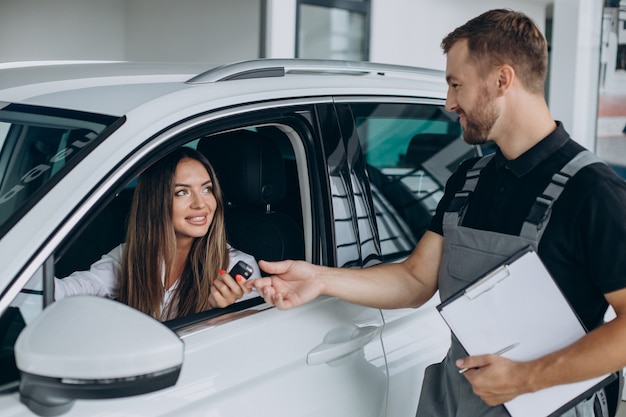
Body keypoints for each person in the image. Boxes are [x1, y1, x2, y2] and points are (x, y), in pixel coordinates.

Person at [247, 9, 626, 417]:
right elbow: (415, 280)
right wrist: (320, 278)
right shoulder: (470, 178)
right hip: (458, 400)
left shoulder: (593, 192)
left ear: (503, 80)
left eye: (455, 85)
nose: (449, 102)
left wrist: (527, 377)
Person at [55, 147, 261, 321]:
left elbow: (247, 347)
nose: (201, 204)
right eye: (182, 192)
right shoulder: (131, 255)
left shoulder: (238, 267)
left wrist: (221, 312)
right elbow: (75, 288)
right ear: (156, 201)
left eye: (207, 189)